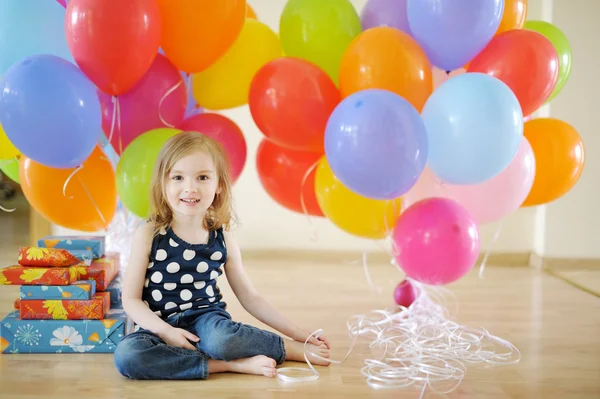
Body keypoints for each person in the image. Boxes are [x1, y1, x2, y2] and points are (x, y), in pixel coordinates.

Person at [114, 131, 331, 380]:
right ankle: (229, 365)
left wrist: (297, 334)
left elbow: (250, 297)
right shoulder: (149, 233)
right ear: (163, 184)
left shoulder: (222, 238)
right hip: (156, 325)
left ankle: (286, 349)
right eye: (178, 177)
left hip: (207, 323)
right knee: (128, 356)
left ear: (218, 185)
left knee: (222, 340)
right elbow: (131, 299)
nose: (190, 188)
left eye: (203, 177)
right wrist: (165, 331)